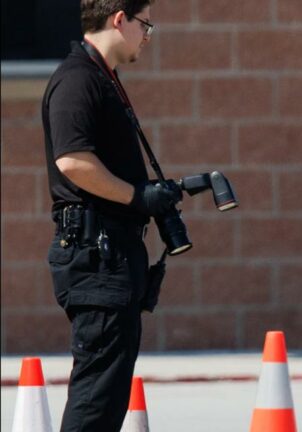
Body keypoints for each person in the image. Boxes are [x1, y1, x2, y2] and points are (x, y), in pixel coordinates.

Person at [42, 1, 181, 430]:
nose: (147, 36)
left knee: (106, 394)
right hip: (96, 256)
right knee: (95, 399)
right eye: (145, 25)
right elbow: (73, 161)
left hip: (111, 255)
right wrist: (137, 197)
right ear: (119, 19)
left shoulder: (102, 78)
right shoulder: (77, 79)